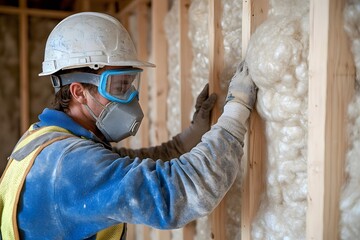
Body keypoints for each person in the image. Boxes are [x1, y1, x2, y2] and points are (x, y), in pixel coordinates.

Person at [0, 12, 257, 240]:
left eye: (130, 83)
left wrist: (191, 136)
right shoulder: (69, 166)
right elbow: (178, 193)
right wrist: (237, 110)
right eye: (118, 86)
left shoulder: (46, 141)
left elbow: (124, 166)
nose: (131, 96)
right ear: (79, 92)